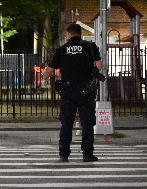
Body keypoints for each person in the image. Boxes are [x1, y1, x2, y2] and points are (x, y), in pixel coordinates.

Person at [42, 23, 102, 162]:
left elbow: (49, 70)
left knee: (67, 123)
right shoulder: (90, 46)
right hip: (86, 91)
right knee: (87, 123)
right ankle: (87, 154)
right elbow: (98, 65)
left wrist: (43, 80)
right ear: (80, 33)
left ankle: (64, 154)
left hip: (68, 90)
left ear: (68, 34)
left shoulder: (62, 49)